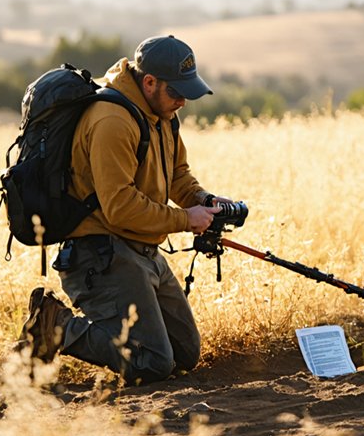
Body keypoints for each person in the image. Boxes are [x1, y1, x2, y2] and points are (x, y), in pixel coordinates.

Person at [18, 35, 231, 384]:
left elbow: (177, 174)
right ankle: (55, 325)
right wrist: (185, 219)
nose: (182, 101)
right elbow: (119, 208)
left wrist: (202, 200)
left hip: (143, 249)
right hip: (101, 254)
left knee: (186, 353)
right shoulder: (112, 121)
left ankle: (71, 328)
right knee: (153, 363)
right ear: (149, 82)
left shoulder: (161, 114)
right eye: (177, 92)